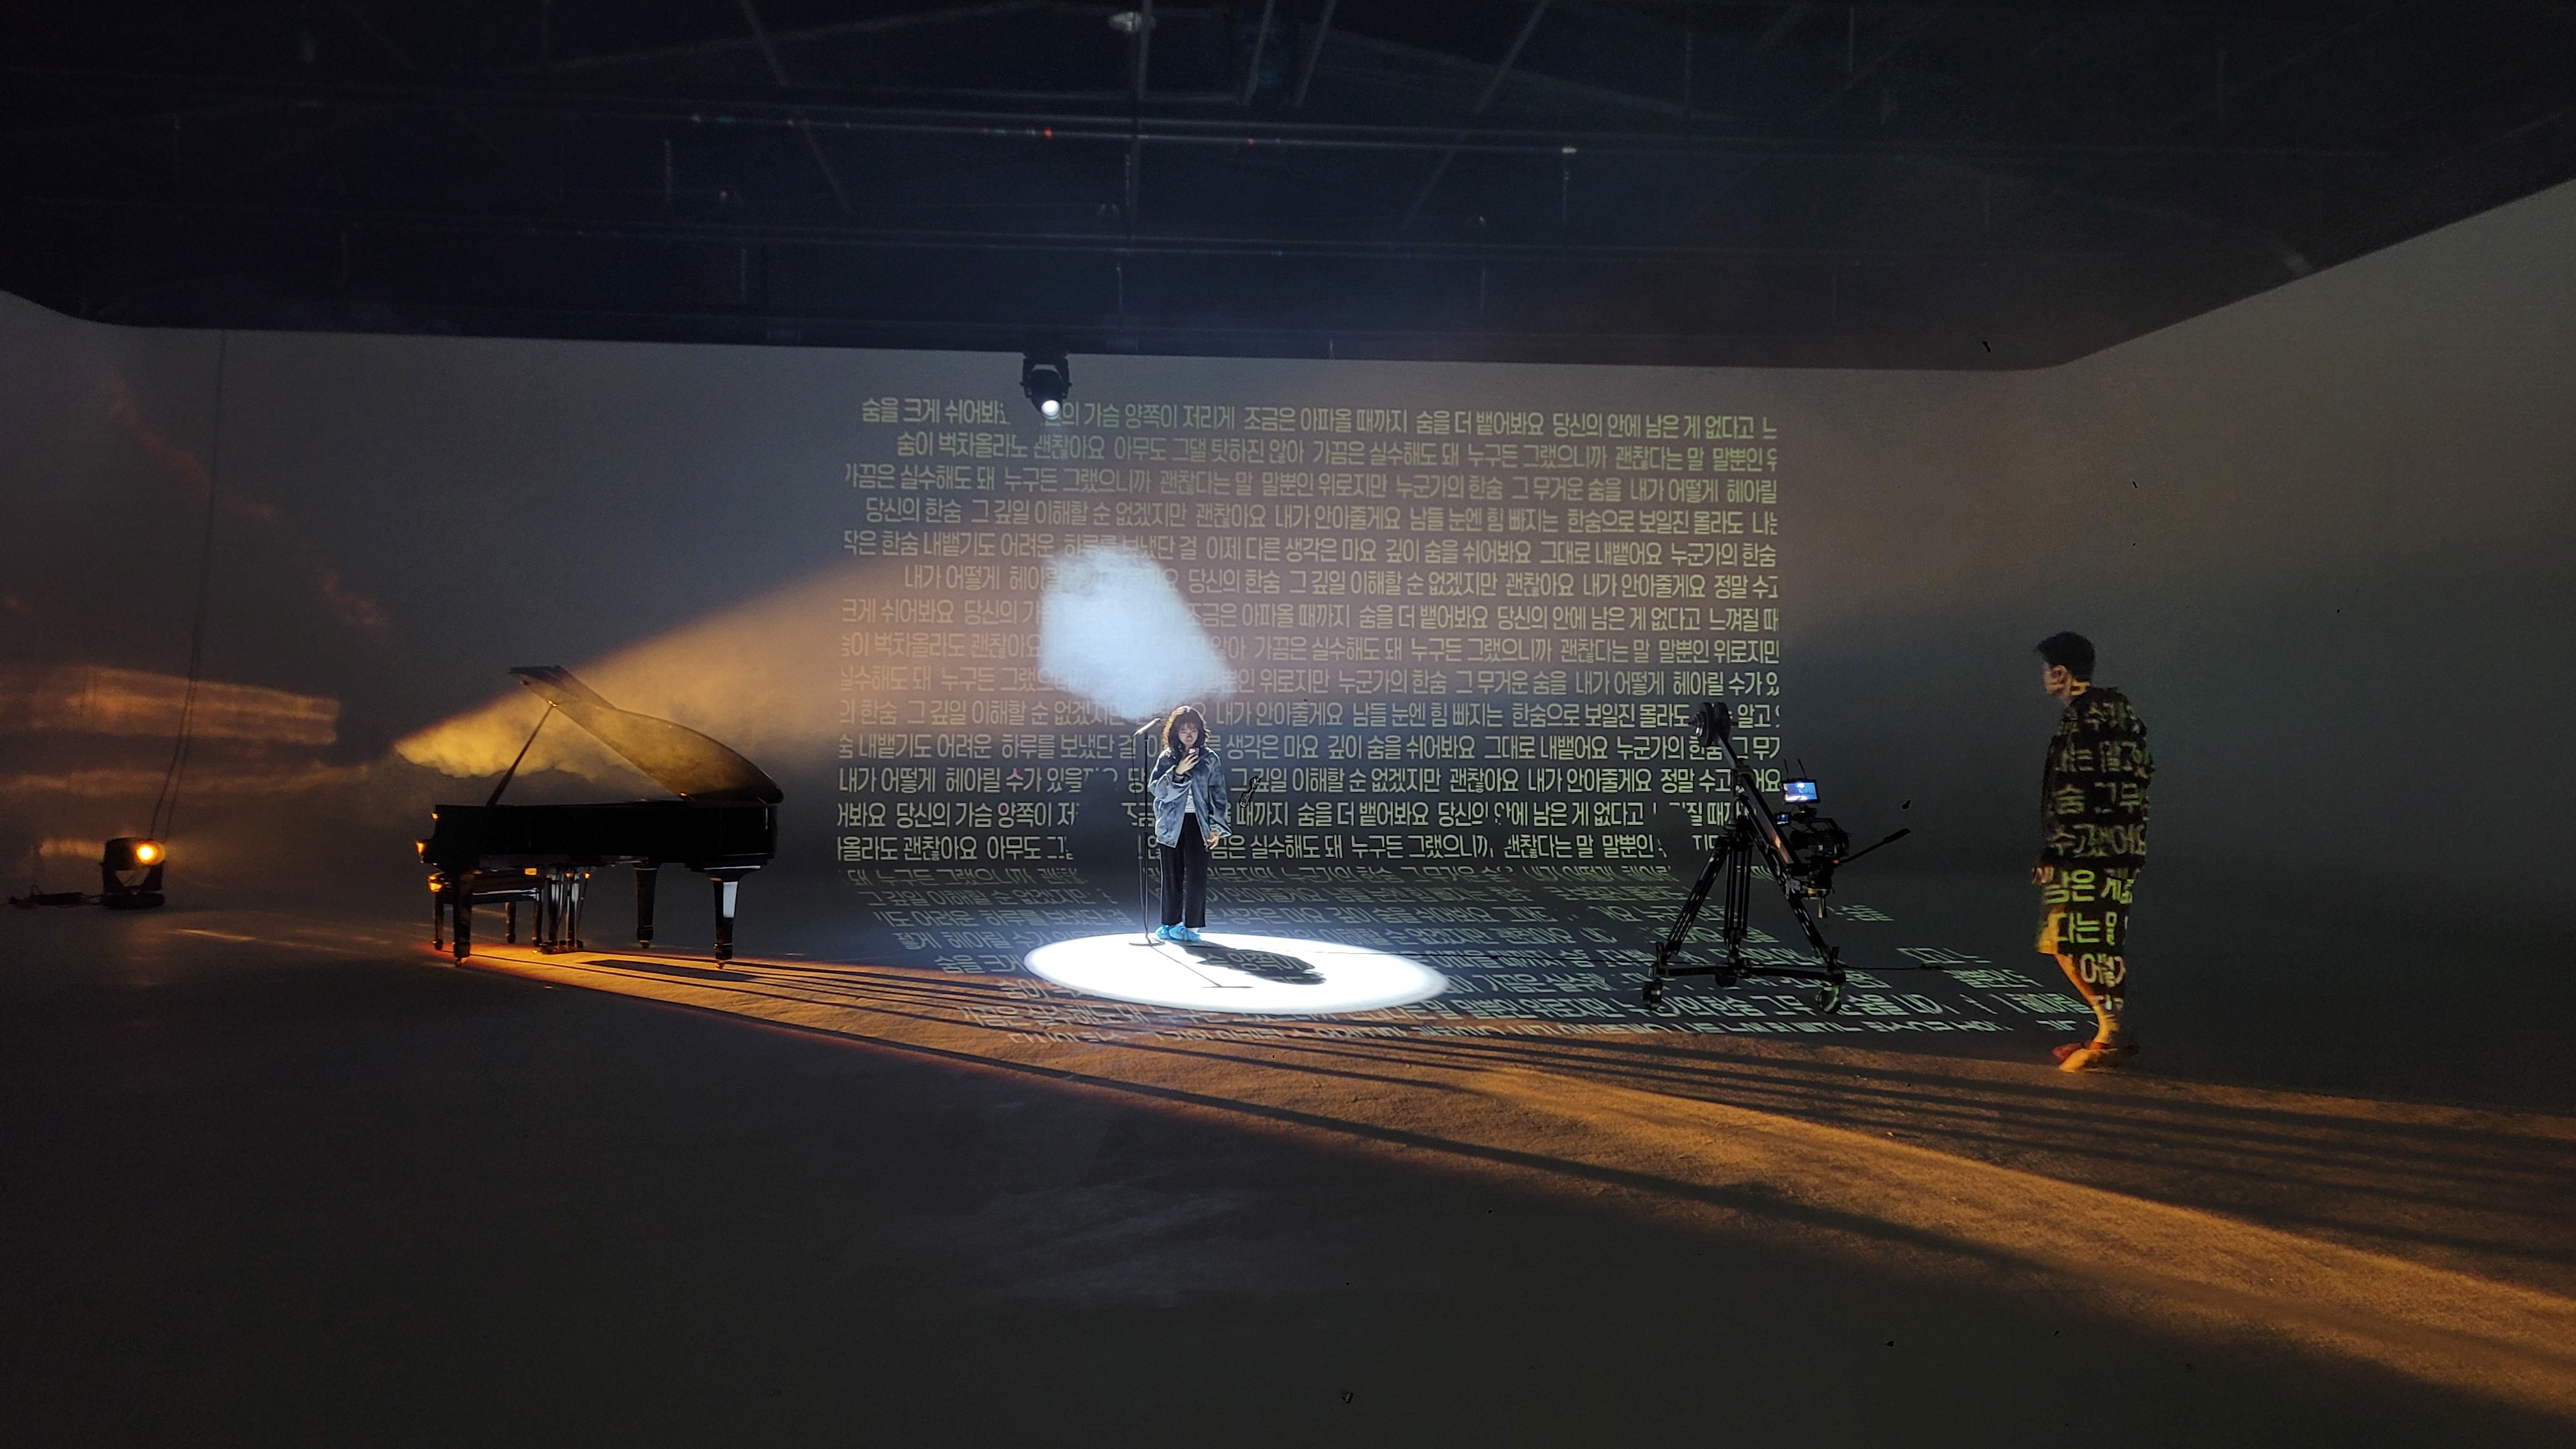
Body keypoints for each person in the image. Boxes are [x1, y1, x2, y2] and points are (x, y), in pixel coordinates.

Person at [2032, 631, 2153, 1072]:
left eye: (2047, 669)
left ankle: (2113, 1031)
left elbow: (2077, 792)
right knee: (2097, 942)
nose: (2044, 677)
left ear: (2061, 673)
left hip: (2087, 855)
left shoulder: (2084, 720)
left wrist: (2056, 851)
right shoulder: (2116, 716)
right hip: (2119, 850)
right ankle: (2109, 1031)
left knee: (2068, 940)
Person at [1146, 704, 1230, 944]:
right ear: (1175, 732)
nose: (1189, 734)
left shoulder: (1209, 759)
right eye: (1184, 730)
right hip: (1171, 824)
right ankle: (1170, 923)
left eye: (1193, 730)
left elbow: (1219, 795)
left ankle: (1192, 927)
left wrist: (1216, 828)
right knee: (1171, 876)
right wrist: (1179, 772)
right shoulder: (1167, 758)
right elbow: (1158, 791)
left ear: (1200, 731)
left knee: (1196, 876)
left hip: (1198, 823)